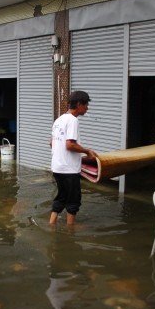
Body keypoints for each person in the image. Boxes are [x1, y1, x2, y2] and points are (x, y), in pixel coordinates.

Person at [49, 90, 97, 225]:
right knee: (73, 200)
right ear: (79, 104)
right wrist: (87, 151)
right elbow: (70, 145)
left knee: (61, 197)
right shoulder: (73, 121)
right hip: (68, 170)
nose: (87, 108)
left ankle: (51, 224)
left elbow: (51, 143)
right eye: (86, 104)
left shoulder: (58, 120)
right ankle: (70, 231)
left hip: (57, 167)